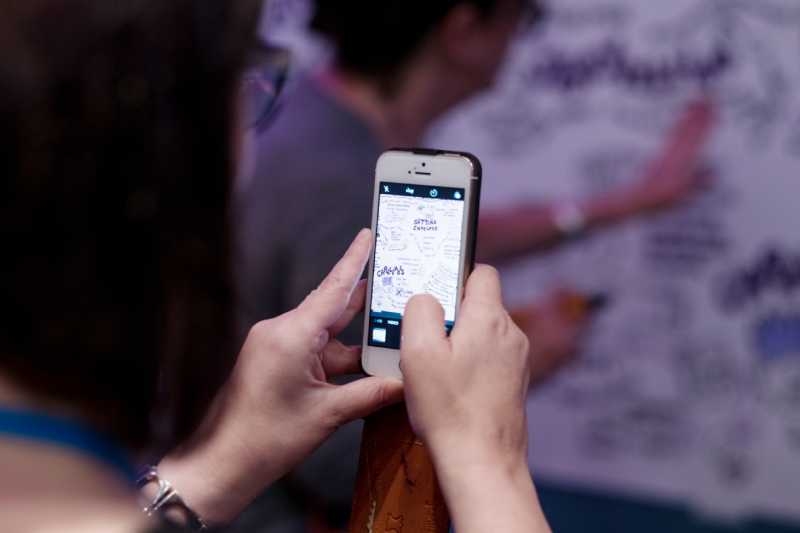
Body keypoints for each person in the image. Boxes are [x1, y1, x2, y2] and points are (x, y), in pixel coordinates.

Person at [0, 1, 549, 532]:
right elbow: (336, 470)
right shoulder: (338, 177)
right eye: (247, 85)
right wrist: (487, 455)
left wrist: (221, 461)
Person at [235, 0, 715, 528]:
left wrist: (625, 203)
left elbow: (439, 242)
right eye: (521, 18)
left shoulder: (316, 118)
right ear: (464, 29)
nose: (519, 40)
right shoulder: (340, 178)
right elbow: (336, 451)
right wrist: (514, 375)